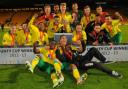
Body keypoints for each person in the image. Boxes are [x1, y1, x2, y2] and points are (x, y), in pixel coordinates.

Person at [56, 35, 123, 78]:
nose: (64, 39)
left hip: (83, 58)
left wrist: (80, 47)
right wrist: (65, 53)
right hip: (81, 64)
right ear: (60, 40)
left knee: (93, 49)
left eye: (65, 38)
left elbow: (80, 51)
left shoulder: (69, 47)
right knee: (95, 64)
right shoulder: (59, 49)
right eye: (62, 38)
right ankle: (112, 72)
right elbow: (61, 58)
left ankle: (104, 60)